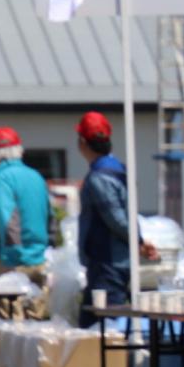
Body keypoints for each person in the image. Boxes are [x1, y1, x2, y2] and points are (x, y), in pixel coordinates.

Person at [74, 111, 157, 327]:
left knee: (103, 327)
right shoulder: (120, 171)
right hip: (119, 260)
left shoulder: (99, 178)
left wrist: (138, 240)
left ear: (82, 142)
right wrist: (138, 241)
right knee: (95, 323)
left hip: (107, 262)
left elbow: (116, 218)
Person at [0, 126, 52, 319]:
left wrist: (14, 256)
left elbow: (6, 219)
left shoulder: (1, 178)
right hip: (40, 258)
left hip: (13, 261)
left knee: (10, 324)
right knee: (36, 324)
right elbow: (49, 216)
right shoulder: (36, 176)